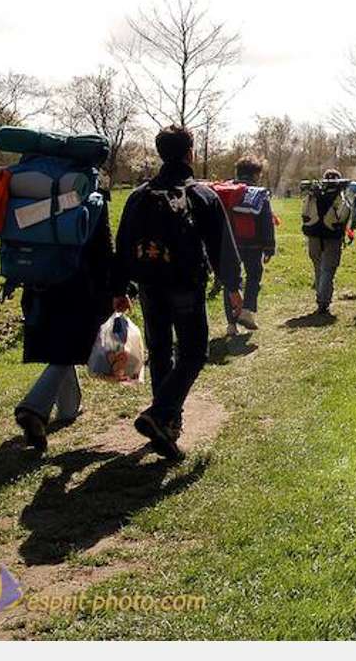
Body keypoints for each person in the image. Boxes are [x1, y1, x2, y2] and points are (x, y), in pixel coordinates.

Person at [112, 125, 242, 461]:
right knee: (194, 352)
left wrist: (119, 287)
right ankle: (161, 414)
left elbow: (123, 244)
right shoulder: (201, 195)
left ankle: (167, 424)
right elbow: (220, 245)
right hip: (185, 284)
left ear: (160, 153)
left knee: (161, 350)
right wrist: (233, 285)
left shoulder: (139, 196)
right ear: (190, 153)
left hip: (149, 285)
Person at [12, 191, 114, 453]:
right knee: (74, 345)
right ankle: (34, 406)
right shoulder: (91, 197)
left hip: (39, 279)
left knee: (64, 343)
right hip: (79, 284)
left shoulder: (36, 192)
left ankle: (69, 408)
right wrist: (113, 288)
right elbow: (102, 250)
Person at [220, 155, 276, 336]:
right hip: (253, 245)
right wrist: (269, 247)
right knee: (254, 276)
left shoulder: (225, 191)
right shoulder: (259, 193)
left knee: (231, 282)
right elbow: (266, 222)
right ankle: (247, 311)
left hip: (229, 243)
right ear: (256, 174)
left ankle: (231, 324)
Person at [301, 168, 350, 316]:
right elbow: (344, 217)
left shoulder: (313, 195)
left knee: (318, 269)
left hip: (314, 237)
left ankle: (320, 299)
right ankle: (324, 301)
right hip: (332, 238)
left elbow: (304, 213)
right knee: (328, 270)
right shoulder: (340, 197)